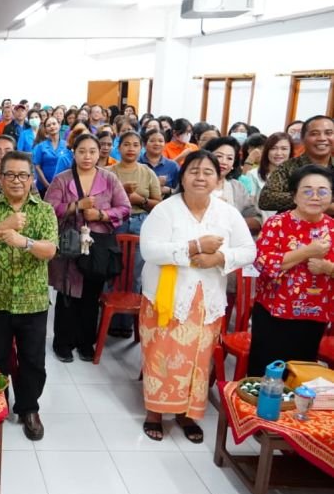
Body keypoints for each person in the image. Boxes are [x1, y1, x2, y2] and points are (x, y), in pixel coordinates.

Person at [138, 150, 255, 441]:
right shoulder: (166, 210)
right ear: (183, 177)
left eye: (207, 172)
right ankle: (155, 412)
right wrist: (194, 246)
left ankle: (187, 414)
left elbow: (249, 250)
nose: (200, 177)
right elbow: (150, 250)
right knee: (161, 355)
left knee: (198, 360)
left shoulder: (227, 212)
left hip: (207, 301)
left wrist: (219, 258)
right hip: (166, 297)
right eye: (194, 171)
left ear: (218, 179)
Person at [0, 151, 58, 440]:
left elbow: (50, 250)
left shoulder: (44, 210)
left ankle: (29, 407)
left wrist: (25, 241)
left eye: (23, 175)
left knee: (33, 360)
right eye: (11, 175)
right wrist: (2, 226)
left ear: (32, 179)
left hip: (32, 301)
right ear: (0, 177)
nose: (17, 180)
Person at [46, 133, 131, 362]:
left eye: (92, 151)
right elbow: (48, 209)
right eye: (82, 151)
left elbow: (125, 208)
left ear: (100, 153)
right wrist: (76, 206)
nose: (87, 156)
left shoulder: (109, 179)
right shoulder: (62, 179)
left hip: (97, 247)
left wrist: (101, 214)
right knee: (67, 294)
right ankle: (62, 343)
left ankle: (85, 343)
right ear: (73, 152)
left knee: (91, 297)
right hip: (70, 244)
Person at [248, 165, 334, 376]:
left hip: (314, 316)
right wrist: (307, 252)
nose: (315, 196)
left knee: (300, 377)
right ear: (294, 196)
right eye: (307, 191)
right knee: (266, 376)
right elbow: (264, 263)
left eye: (322, 191)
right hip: (274, 317)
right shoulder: (277, 224)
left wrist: (327, 267)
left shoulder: (332, 228)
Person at [108, 131, 162, 336]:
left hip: (141, 223)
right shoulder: (108, 172)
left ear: (141, 148)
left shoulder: (147, 172)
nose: (131, 149)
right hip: (115, 222)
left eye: (135, 145)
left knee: (136, 274)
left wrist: (140, 200)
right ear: (118, 148)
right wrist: (121, 191)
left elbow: (158, 204)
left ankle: (128, 324)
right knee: (113, 271)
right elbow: (101, 199)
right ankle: (110, 320)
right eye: (126, 144)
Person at [259, 115, 334, 213]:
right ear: (303, 138)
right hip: (292, 226)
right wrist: (314, 199)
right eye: (314, 134)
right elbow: (266, 199)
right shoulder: (288, 167)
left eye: (329, 133)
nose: (322, 138)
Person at [204, 138, 263, 236]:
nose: (223, 162)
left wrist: (233, 221)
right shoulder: (194, 182)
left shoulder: (238, 187)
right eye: (219, 156)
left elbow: (257, 220)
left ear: (233, 164)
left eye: (229, 158)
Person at [238, 132, 292, 222]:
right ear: (267, 151)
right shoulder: (254, 175)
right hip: (263, 226)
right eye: (273, 148)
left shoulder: (297, 175)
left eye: (284, 149)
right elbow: (248, 205)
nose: (279, 153)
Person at [140, 128, 180, 198]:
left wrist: (169, 190)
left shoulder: (173, 166)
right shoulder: (137, 163)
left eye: (161, 141)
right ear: (144, 144)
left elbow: (180, 191)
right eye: (152, 141)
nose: (157, 144)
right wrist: (155, 185)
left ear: (165, 144)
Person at [32, 116, 66, 197]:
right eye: (48, 125)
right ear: (45, 129)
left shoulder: (66, 145)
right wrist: (47, 185)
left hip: (63, 185)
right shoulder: (40, 146)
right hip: (44, 186)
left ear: (59, 125)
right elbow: (37, 167)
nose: (52, 126)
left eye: (54, 124)